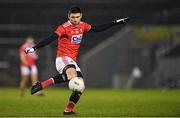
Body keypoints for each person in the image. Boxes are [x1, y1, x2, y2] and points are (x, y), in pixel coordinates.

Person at [25, 5, 129, 115]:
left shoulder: (83, 26)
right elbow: (51, 37)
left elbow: (97, 29)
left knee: (80, 86)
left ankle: (68, 110)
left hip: (72, 61)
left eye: (77, 17)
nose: (75, 19)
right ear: (68, 16)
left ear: (81, 16)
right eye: (73, 17)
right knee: (71, 74)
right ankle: (41, 85)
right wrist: (34, 48)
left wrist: (116, 23)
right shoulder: (63, 27)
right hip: (62, 58)